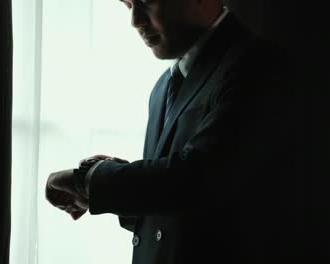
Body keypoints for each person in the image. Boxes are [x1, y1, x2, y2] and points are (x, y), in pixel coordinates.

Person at [45, 0, 289, 263]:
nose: (135, 20)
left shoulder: (257, 65)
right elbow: (179, 210)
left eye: (146, 2)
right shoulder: (164, 87)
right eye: (128, 5)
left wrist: (91, 180)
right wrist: (99, 190)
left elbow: (196, 182)